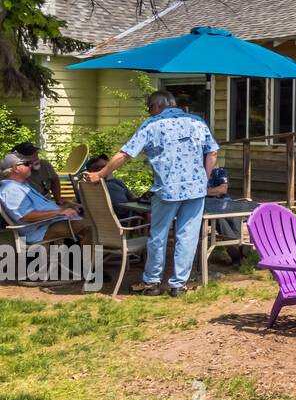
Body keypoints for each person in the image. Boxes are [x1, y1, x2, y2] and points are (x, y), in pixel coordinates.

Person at [86, 90, 218, 297]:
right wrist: (204, 178)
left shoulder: (152, 125)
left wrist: (100, 174)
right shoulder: (197, 122)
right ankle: (178, 285)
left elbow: (126, 153)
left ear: (157, 106)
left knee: (158, 235)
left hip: (167, 189)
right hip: (195, 189)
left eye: (149, 108)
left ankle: (152, 283)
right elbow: (212, 152)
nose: (149, 112)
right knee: (188, 235)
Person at [0, 152, 80, 245]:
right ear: (15, 168)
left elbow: (42, 207)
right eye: (26, 163)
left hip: (51, 222)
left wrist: (66, 207)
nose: (30, 165)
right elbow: (25, 216)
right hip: (40, 230)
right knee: (89, 226)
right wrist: (59, 212)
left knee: (91, 219)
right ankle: (91, 259)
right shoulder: (10, 189)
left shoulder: (22, 186)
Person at [85, 153, 137, 220]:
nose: (100, 170)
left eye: (104, 167)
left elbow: (132, 198)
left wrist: (143, 199)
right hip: (125, 219)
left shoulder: (116, 182)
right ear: (89, 171)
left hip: (128, 215)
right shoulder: (86, 187)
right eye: (96, 168)